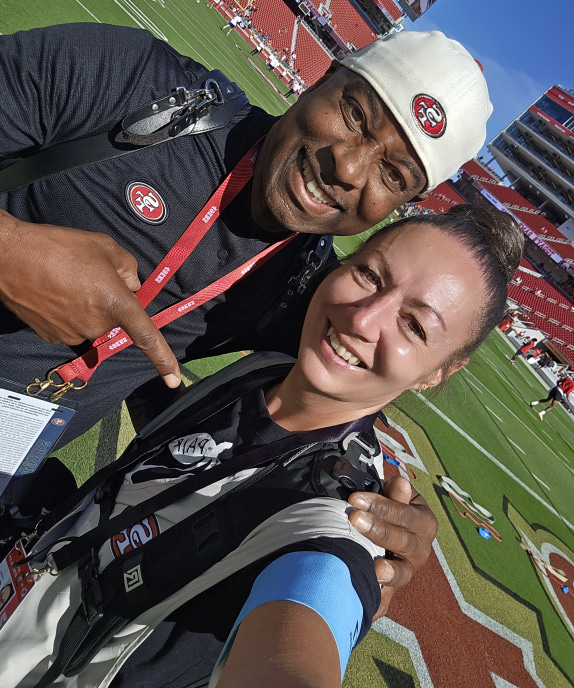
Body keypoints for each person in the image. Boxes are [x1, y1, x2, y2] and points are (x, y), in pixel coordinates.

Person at [0, 25, 490, 601]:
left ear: (405, 203)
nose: (349, 168)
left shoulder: (304, 286)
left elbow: (333, 412)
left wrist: (391, 513)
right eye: (356, 115)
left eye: (393, 175)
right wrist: (10, 252)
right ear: (327, 74)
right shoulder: (135, 82)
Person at [0, 206, 523, 688]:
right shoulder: (271, 366)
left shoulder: (346, 521)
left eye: (414, 325)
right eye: (369, 274)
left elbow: (306, 625)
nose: (363, 319)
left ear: (439, 373)